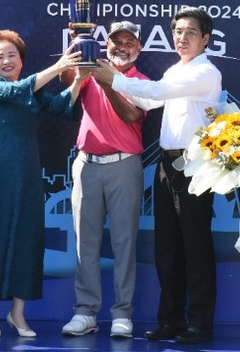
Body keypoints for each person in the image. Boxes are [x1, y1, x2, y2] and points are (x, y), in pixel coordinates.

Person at [91, 7, 222, 344]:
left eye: (190, 32)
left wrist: (113, 79)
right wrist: (110, 77)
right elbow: (148, 101)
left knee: (195, 247)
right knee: (167, 248)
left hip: (195, 167)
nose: (182, 38)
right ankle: (171, 321)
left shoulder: (206, 72)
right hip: (166, 166)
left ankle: (200, 324)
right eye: (178, 31)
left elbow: (157, 93)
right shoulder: (175, 70)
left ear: (206, 39)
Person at [0, 29, 82, 339]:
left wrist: (80, 78)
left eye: (12, 55)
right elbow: (18, 91)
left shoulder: (33, 92)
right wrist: (59, 66)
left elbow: (62, 106)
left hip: (27, 176)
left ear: (22, 61)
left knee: (26, 239)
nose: (6, 61)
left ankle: (17, 313)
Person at [59, 21, 149, 339]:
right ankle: (85, 312)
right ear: (106, 44)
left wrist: (107, 81)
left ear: (138, 48)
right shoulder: (91, 69)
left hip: (124, 165)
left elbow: (131, 115)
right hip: (86, 164)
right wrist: (77, 47)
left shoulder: (141, 82)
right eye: (116, 41)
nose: (122, 47)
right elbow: (65, 80)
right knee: (85, 243)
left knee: (124, 243)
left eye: (129, 42)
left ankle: (122, 314)